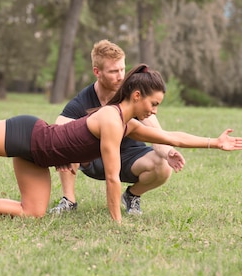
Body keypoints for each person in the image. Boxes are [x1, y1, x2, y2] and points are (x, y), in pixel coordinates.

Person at [0, 64, 242, 223]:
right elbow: (113, 180)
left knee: (33, 212)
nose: (155, 112)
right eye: (154, 104)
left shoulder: (128, 122)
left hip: (38, 157)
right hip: (29, 135)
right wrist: (115, 226)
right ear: (138, 95)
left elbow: (170, 136)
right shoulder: (113, 121)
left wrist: (214, 143)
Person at [50, 40, 183, 215]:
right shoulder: (82, 100)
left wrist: (168, 153)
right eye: (114, 71)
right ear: (97, 72)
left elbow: (157, 135)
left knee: (163, 167)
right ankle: (69, 200)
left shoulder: (134, 97)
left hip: (130, 158)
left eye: (122, 69)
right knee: (68, 141)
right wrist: (60, 153)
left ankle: (132, 196)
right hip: (95, 159)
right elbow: (57, 130)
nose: (121, 76)